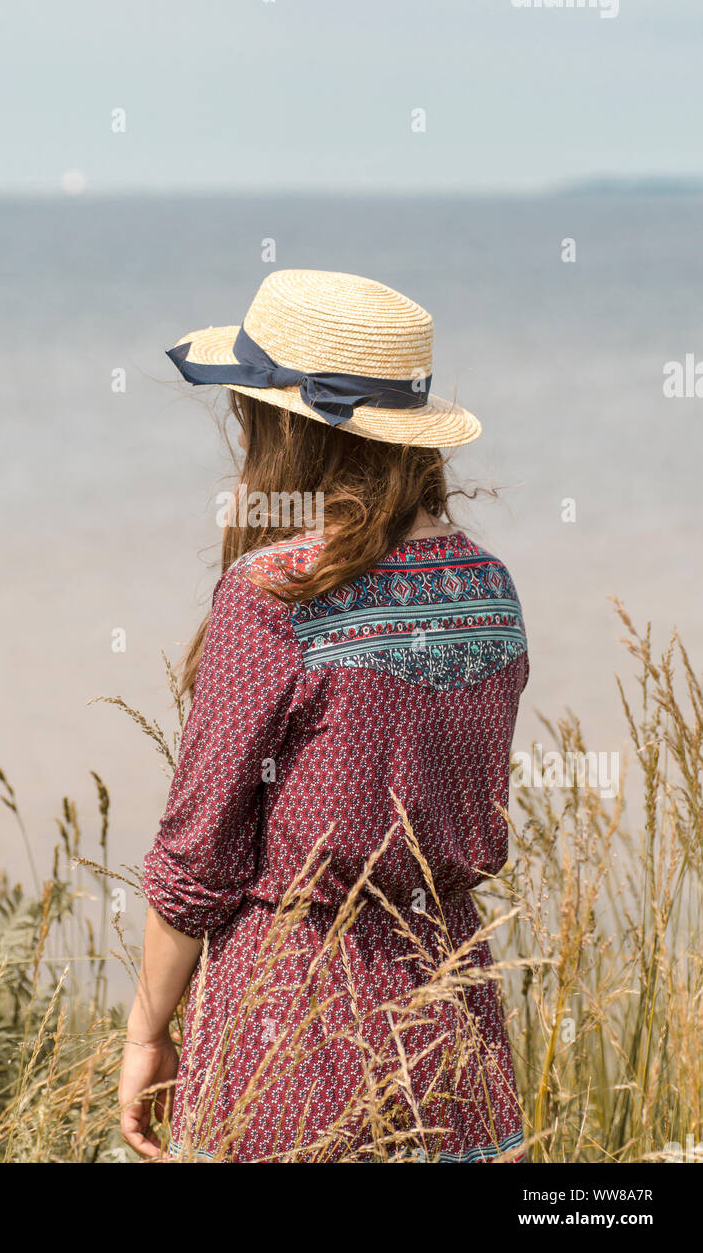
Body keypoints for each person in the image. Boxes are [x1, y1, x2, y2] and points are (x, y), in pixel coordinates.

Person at [118, 269, 528, 1163]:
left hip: (294, 1021)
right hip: (456, 1016)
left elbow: (198, 859)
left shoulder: (272, 593)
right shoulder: (491, 588)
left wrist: (148, 1033)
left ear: (279, 425)